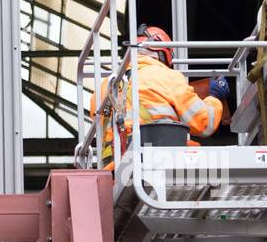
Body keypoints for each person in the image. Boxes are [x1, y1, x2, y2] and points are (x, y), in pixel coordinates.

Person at [93, 24, 228, 165]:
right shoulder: (166, 76)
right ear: (163, 54)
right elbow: (205, 124)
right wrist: (215, 97)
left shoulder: (105, 86)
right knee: (199, 154)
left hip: (114, 166)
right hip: (156, 160)